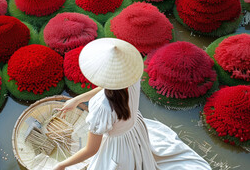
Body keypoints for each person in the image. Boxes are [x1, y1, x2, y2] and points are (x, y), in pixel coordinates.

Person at [53, 38, 211, 170]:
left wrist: (61, 165)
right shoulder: (132, 77)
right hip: (135, 128)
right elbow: (110, 87)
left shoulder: (103, 108)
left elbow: (91, 150)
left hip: (117, 146)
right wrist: (77, 99)